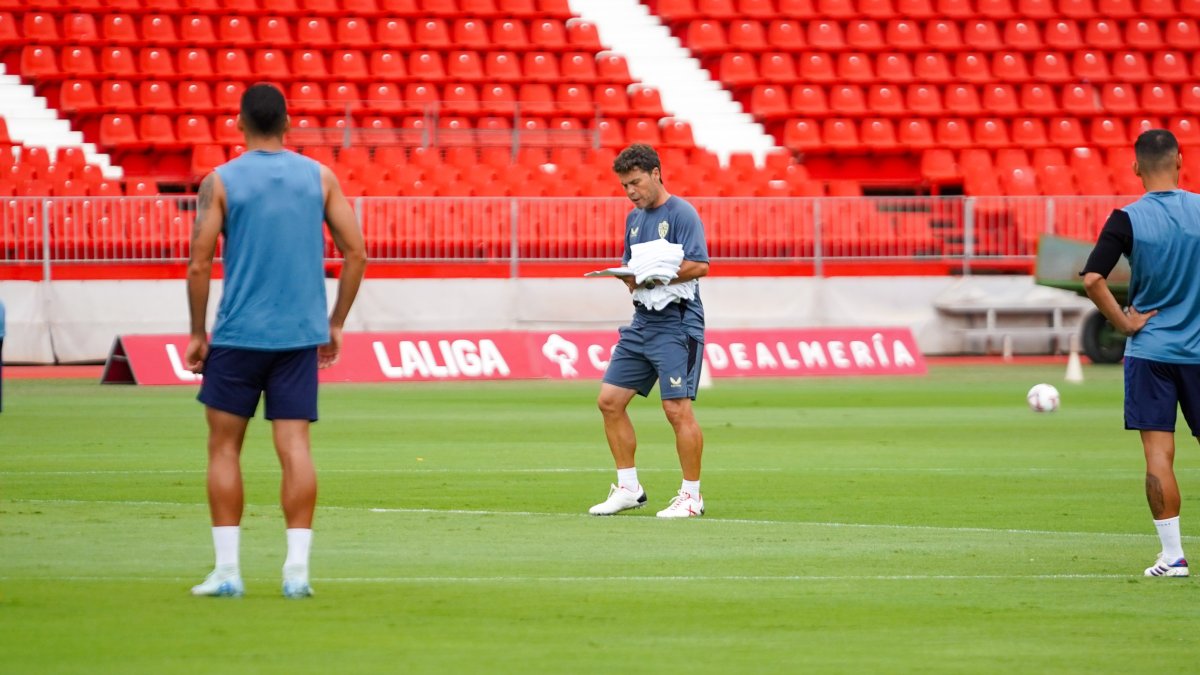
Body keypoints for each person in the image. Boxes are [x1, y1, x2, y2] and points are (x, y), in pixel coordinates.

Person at [184, 83, 367, 598]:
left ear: (239, 124)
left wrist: (199, 333)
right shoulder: (321, 177)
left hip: (239, 334)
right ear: (288, 125)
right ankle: (297, 572)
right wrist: (335, 323)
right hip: (297, 336)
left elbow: (199, 262)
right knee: (295, 447)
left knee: (223, 449)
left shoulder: (220, 181)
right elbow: (356, 253)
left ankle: (227, 572)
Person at [1082, 128, 1200, 577]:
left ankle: (1173, 557)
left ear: (1136, 167)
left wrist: (1125, 322)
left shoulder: (1126, 219)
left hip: (1151, 351)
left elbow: (1093, 278)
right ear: (1180, 160)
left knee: (1158, 455)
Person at [589, 144, 710, 518]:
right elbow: (631, 265)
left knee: (676, 409)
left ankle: (691, 497)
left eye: (636, 182)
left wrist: (659, 277)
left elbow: (700, 265)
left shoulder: (682, 213)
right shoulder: (634, 219)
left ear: (656, 173)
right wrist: (628, 278)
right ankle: (628, 488)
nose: (631, 191)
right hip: (642, 323)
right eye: (625, 185)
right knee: (609, 401)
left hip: (677, 323)